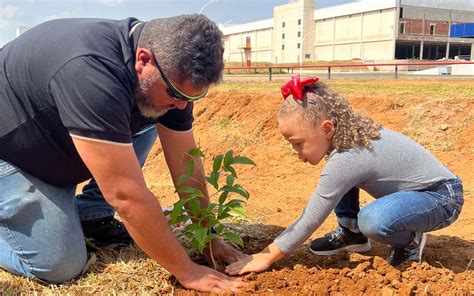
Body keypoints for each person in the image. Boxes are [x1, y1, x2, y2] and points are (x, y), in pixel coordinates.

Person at [0, 14, 246, 293]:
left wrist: (208, 236)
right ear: (143, 60)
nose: (181, 105)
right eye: (176, 93)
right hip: (13, 154)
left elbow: (185, 162)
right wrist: (186, 271)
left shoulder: (172, 78)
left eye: (190, 98)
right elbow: (126, 195)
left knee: (156, 113)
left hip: (58, 138)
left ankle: (90, 212)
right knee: (58, 266)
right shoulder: (90, 70)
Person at [225, 74, 464, 275]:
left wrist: (266, 257)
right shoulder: (345, 141)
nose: (294, 151)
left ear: (327, 128)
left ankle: (409, 242)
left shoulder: (350, 156)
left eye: (297, 143)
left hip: (441, 198)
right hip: (421, 195)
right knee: (339, 178)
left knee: (374, 220)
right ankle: (351, 234)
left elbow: (312, 217)